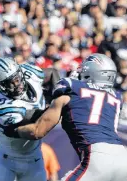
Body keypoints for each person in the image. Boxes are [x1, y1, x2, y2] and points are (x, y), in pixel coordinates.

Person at [13, 53, 127, 181]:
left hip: (97, 156)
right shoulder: (117, 98)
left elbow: (38, 131)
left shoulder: (72, 87)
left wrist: (14, 129)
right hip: (123, 158)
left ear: (91, 72)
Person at [0, 57, 59, 181]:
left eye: (17, 78)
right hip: (6, 160)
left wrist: (59, 93)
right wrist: (59, 104)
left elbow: (52, 73)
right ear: (1, 86)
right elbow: (35, 126)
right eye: (10, 83)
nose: (17, 84)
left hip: (34, 158)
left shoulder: (29, 73)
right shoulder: (3, 106)